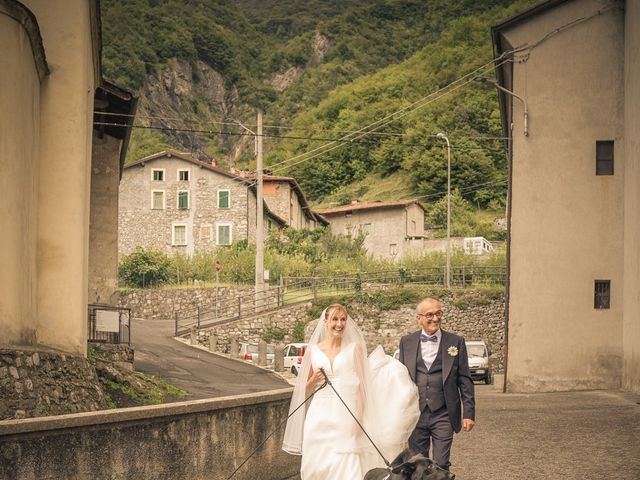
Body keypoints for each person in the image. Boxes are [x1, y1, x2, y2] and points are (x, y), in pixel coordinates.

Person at [283, 304, 419, 479]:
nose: (339, 324)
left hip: (346, 415)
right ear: (325, 322)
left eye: (343, 319)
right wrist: (313, 380)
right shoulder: (313, 351)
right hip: (319, 416)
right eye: (334, 319)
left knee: (347, 463)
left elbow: (363, 389)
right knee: (316, 464)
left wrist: (359, 420)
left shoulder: (355, 349)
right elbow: (303, 391)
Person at [398, 297, 475, 471]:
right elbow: (400, 380)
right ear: (419, 318)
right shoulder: (406, 342)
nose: (435, 318)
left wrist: (468, 413)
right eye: (430, 315)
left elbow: (464, 379)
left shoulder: (456, 341)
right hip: (416, 414)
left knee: (441, 464)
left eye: (438, 313)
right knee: (418, 466)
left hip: (444, 413)